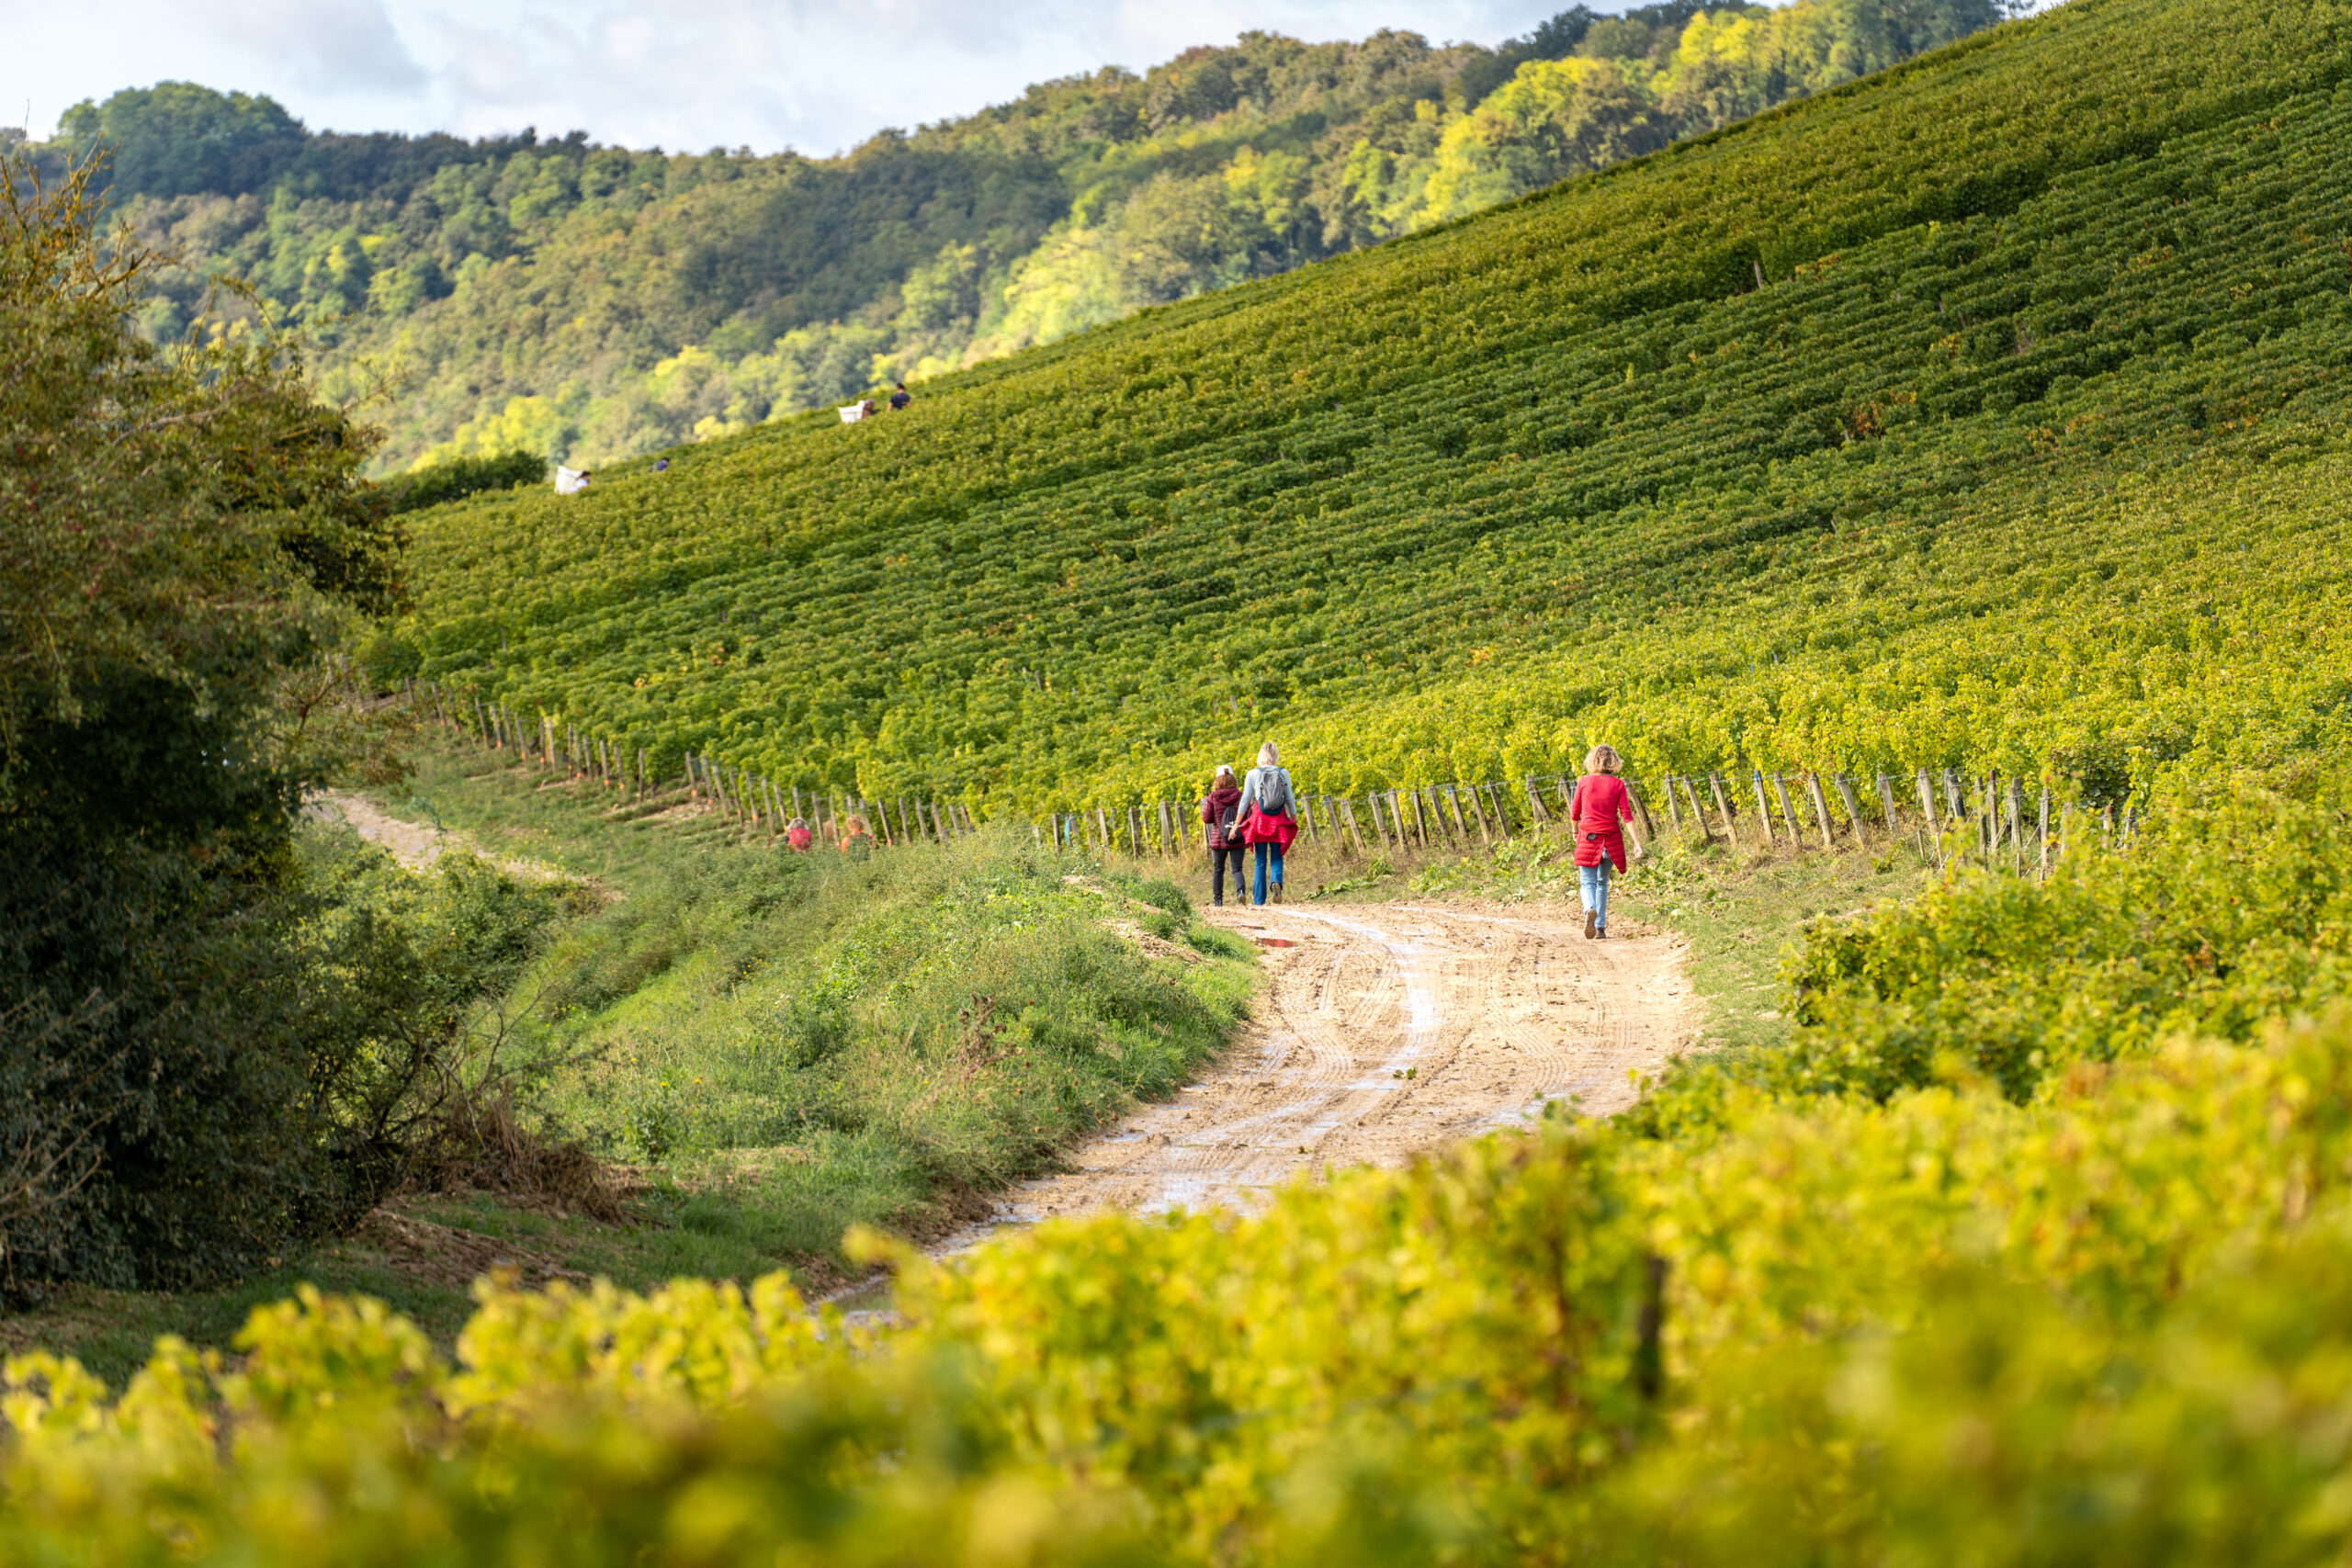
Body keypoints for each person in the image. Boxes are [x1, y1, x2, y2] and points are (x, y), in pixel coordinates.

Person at [1566, 744, 1642, 940]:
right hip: (1611, 840)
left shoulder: (1583, 782)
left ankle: (1589, 910)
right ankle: (1599, 928)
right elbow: (1626, 814)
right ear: (1614, 761)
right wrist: (1636, 843)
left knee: (1587, 881)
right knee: (1602, 883)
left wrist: (1575, 831)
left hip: (1589, 837)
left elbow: (1575, 811)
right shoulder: (1618, 784)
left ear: (1593, 760)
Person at [1236, 742, 1299, 907]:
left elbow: (1245, 800)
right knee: (1277, 857)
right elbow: (1290, 798)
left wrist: (1237, 823)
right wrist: (1293, 818)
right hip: (1278, 819)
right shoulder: (1283, 772)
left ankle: (1259, 901)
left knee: (1260, 861)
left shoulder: (1252, 773)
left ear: (1260, 756)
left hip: (1259, 820)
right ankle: (1276, 882)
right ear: (1275, 755)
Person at [1200, 765, 1245, 908]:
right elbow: (1247, 814)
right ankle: (1241, 893)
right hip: (1237, 837)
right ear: (1233, 778)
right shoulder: (1240, 795)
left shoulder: (1212, 797)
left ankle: (1218, 900)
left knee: (1218, 869)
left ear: (1217, 780)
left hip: (1219, 839)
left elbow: (1206, 818)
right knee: (1237, 868)